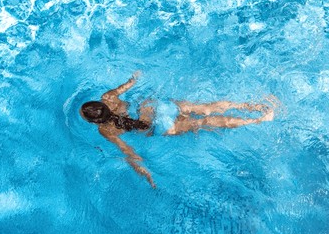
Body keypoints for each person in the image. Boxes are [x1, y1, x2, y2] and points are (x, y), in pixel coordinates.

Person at [80, 71, 278, 188]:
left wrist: (145, 174)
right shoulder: (108, 97)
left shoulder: (106, 131)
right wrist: (135, 76)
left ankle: (257, 121)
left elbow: (128, 152)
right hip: (155, 107)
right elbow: (129, 84)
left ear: (95, 122)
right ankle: (251, 106)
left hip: (158, 126)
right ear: (101, 104)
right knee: (204, 107)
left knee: (204, 122)